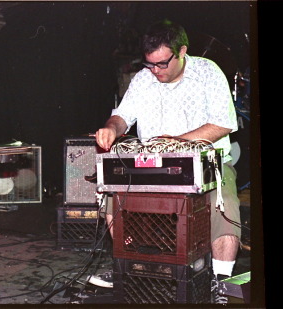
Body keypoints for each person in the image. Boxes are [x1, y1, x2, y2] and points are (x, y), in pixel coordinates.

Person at [90, 19, 240, 304]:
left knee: (225, 205)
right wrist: (111, 127)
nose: (155, 71)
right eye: (150, 65)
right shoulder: (143, 78)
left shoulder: (208, 72)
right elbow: (122, 117)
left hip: (206, 162)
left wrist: (176, 142)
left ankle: (222, 284)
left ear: (181, 51)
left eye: (162, 64)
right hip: (153, 165)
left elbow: (223, 124)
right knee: (113, 199)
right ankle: (128, 267)